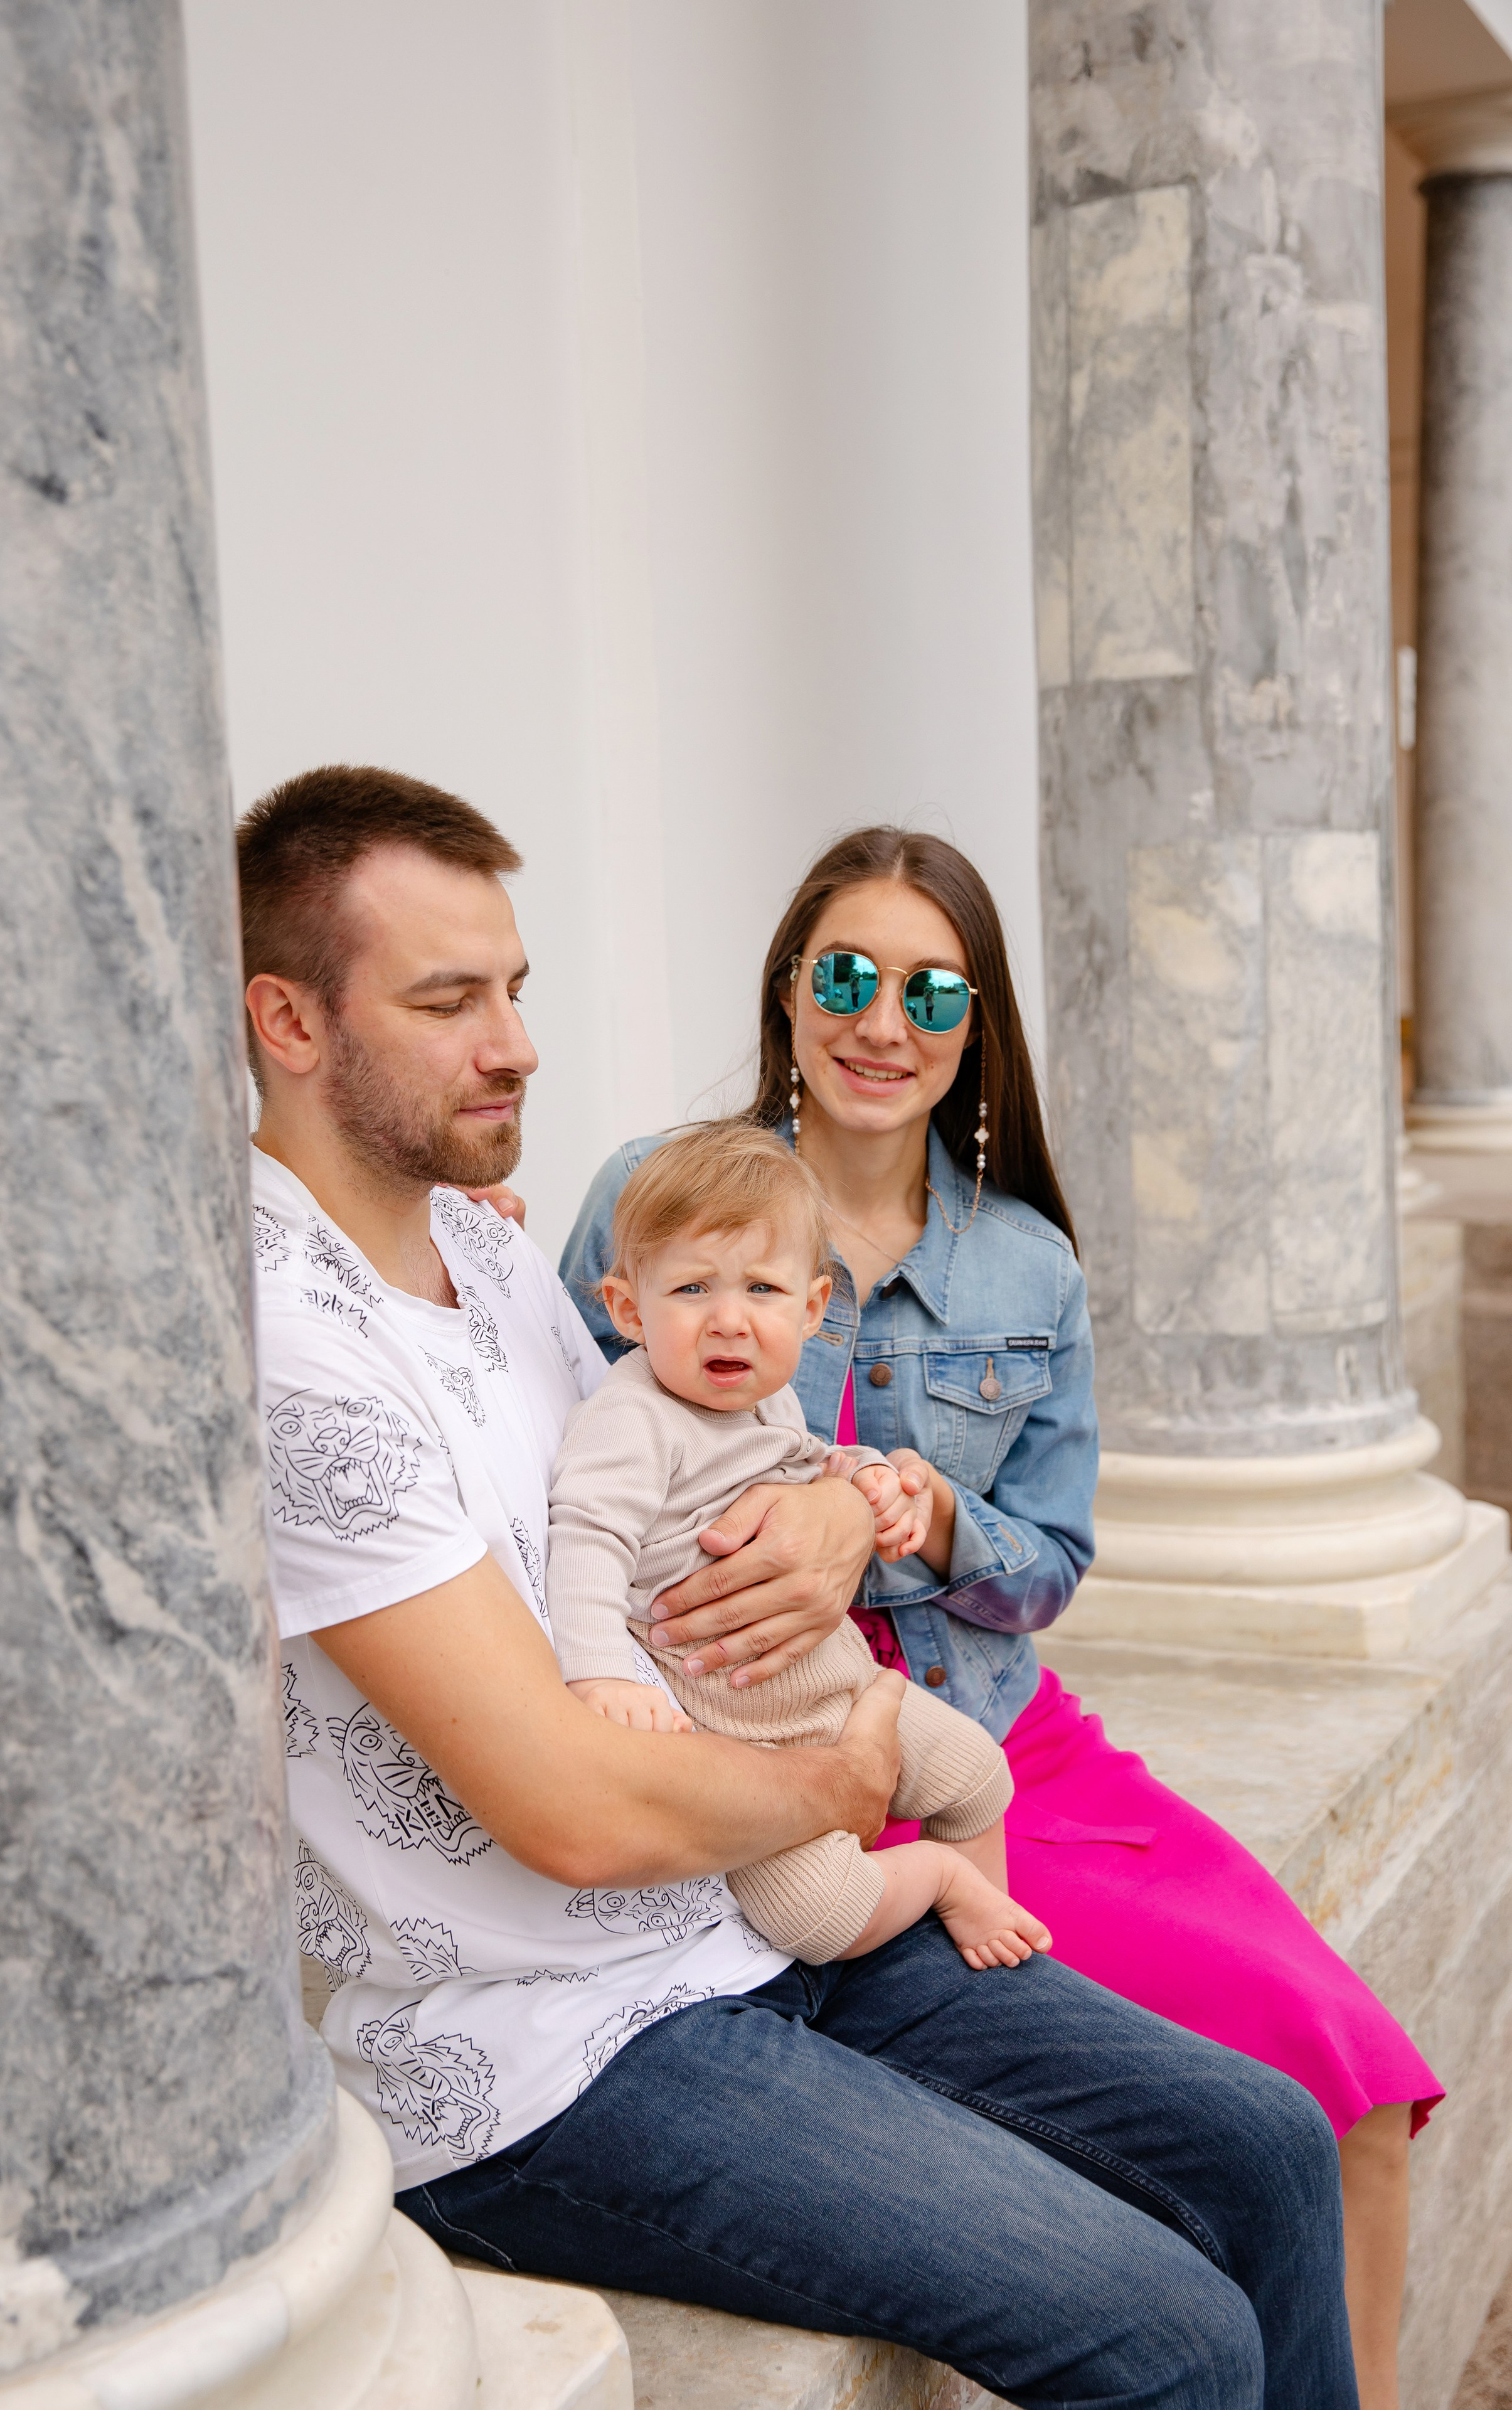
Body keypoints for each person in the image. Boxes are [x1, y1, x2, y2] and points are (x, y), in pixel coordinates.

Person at [240, 763, 1359, 2408]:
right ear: (290, 1022)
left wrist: (845, 1519)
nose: (519, 1043)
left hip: (753, 1916)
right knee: (1165, 2333)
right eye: (449, 999)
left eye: (520, 989)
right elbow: (569, 1812)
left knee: (1266, 2143)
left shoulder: (480, 1244)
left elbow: (695, 1448)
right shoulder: (294, 1352)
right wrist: (845, 1772)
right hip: (550, 2045)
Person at [560, 824, 1444, 2410]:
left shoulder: (1023, 1266)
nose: (879, 1022)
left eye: (929, 988)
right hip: (768, 1747)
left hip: (993, 1748)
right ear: (784, 995)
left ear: (976, 1025)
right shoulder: (651, 1199)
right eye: (841, 975)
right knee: (1227, 2114)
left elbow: (1051, 1555)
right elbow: (546, 1442)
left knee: (1351, 2077)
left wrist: (926, 1517)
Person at [546, 1119, 1043, 1971]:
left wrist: (867, 1480)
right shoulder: (633, 1418)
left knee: (978, 1775)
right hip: (749, 1747)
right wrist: (594, 1669)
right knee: (815, 1915)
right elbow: (587, 1536)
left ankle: (989, 1981)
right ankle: (936, 1882)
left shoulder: (769, 1402)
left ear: (814, 1308)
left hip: (843, 1685)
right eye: (693, 1289)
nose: (730, 1322)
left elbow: (814, 1460)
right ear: (629, 1308)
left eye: (763, 1291)